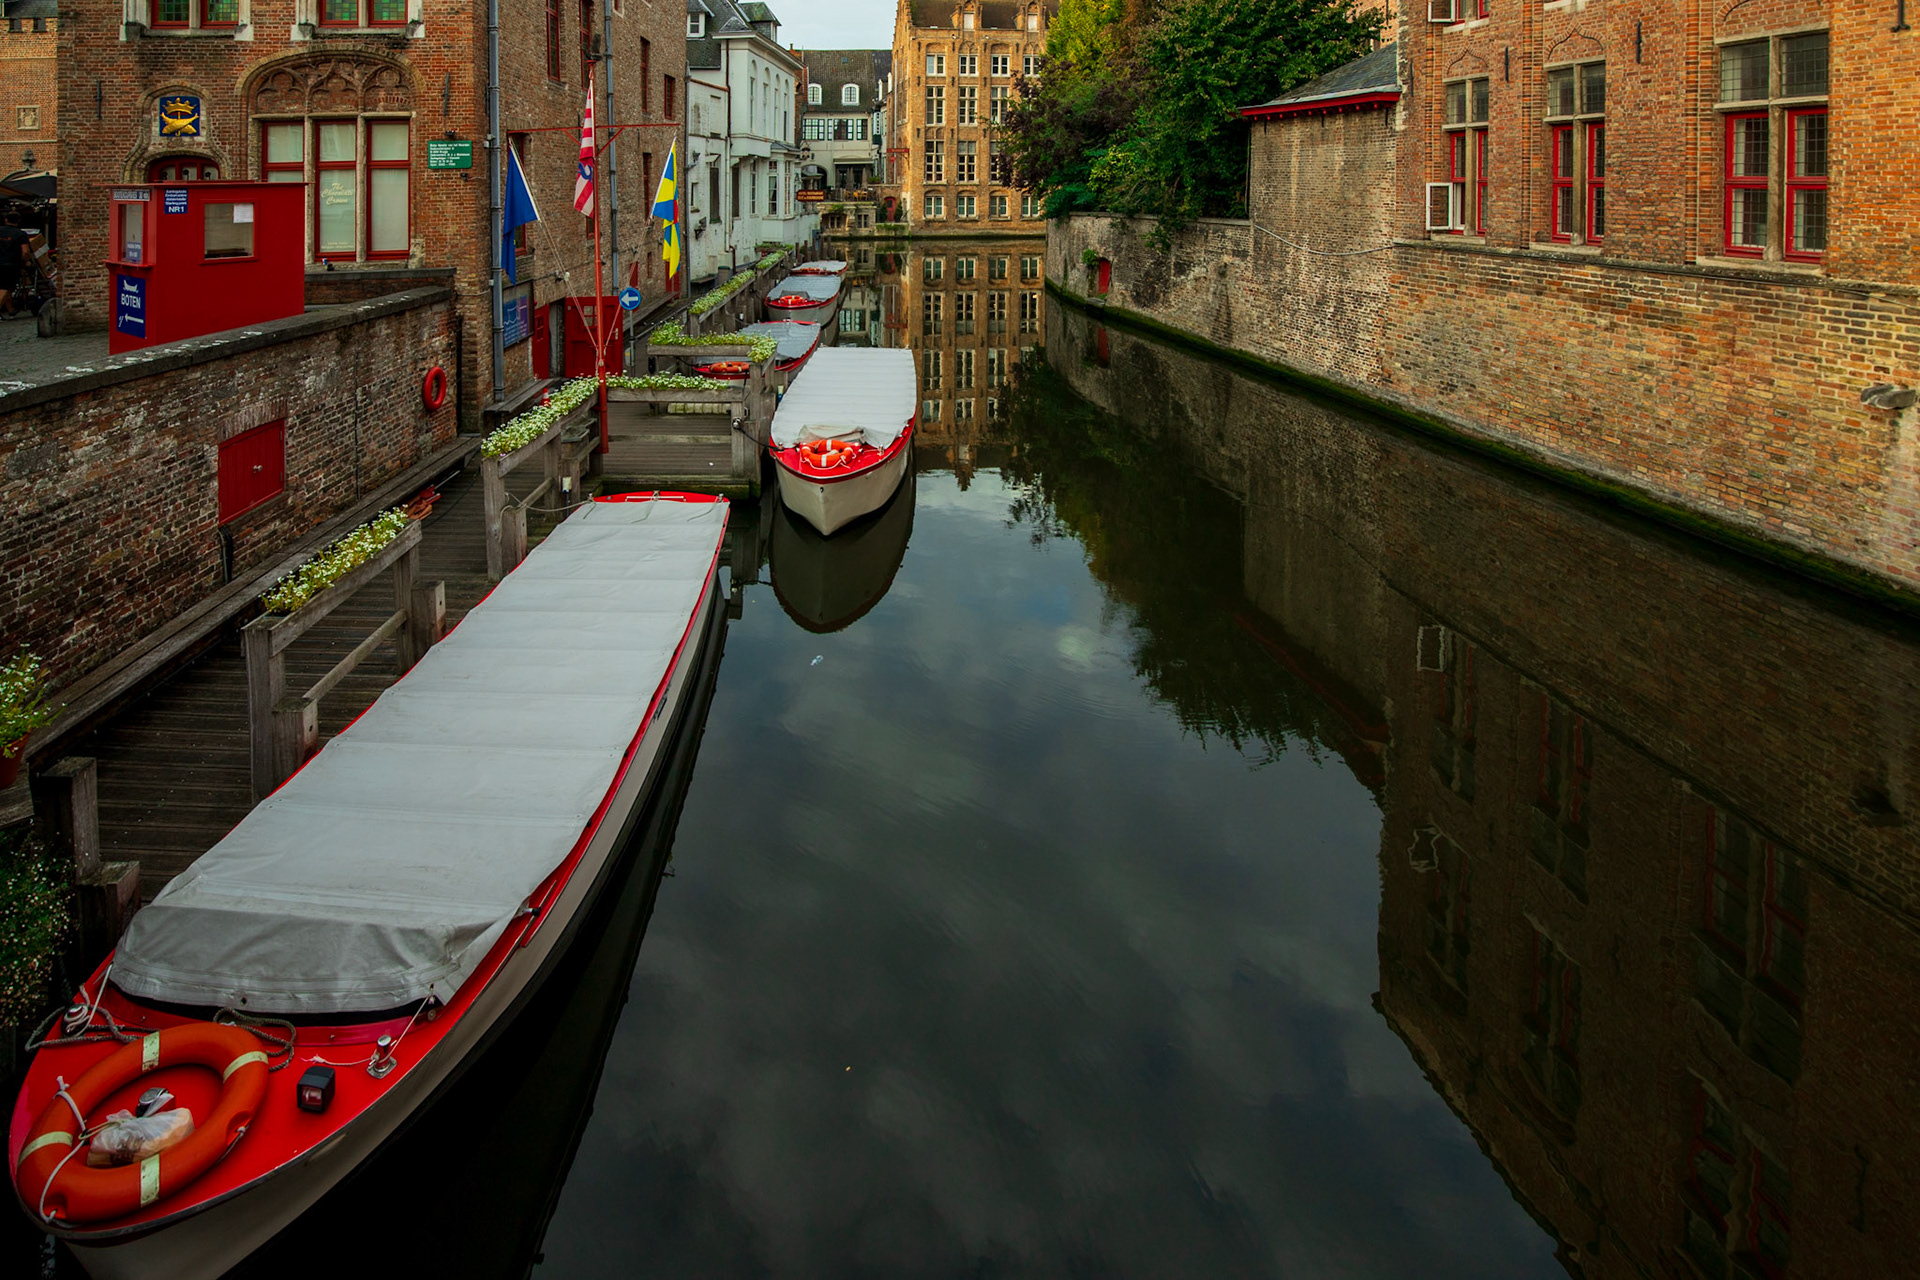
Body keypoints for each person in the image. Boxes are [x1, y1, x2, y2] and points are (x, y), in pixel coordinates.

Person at [0, 211, 30, 320]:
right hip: (10, 264)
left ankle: (11, 310)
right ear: (18, 221)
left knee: (5, 288)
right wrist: (26, 262)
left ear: (6, 220)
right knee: (6, 288)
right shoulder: (20, 234)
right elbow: (25, 251)